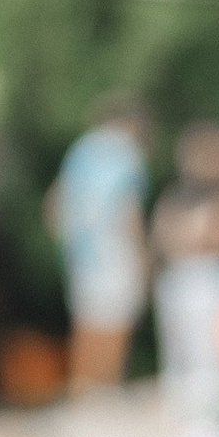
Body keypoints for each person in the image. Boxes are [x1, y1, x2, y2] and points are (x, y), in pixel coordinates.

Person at [150, 121, 219, 421]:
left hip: (215, 280)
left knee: (216, 351)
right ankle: (183, 413)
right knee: (180, 353)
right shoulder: (175, 197)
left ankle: (215, 415)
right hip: (180, 281)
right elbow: (165, 236)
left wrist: (196, 235)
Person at [48, 95, 151, 392]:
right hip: (114, 253)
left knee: (86, 326)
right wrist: (143, 256)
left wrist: (67, 245)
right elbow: (128, 212)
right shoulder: (125, 153)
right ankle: (104, 393)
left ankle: (82, 391)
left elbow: (55, 206)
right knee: (115, 326)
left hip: (82, 255)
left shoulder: (79, 151)